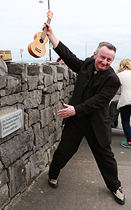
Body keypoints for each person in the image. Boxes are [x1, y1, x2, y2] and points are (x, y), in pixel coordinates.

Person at [43, 23, 125, 205]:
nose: (105, 62)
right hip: (77, 121)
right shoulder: (87, 65)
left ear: (112, 61)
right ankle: (53, 175)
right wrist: (51, 36)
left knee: (105, 157)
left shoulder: (113, 80)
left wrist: (75, 109)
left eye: (109, 60)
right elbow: (69, 57)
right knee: (64, 150)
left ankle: (115, 186)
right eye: (102, 57)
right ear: (95, 54)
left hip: (97, 123)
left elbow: (98, 101)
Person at [116, 58, 131, 149]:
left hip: (126, 101)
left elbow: (117, 91)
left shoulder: (119, 75)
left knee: (125, 122)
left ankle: (129, 142)